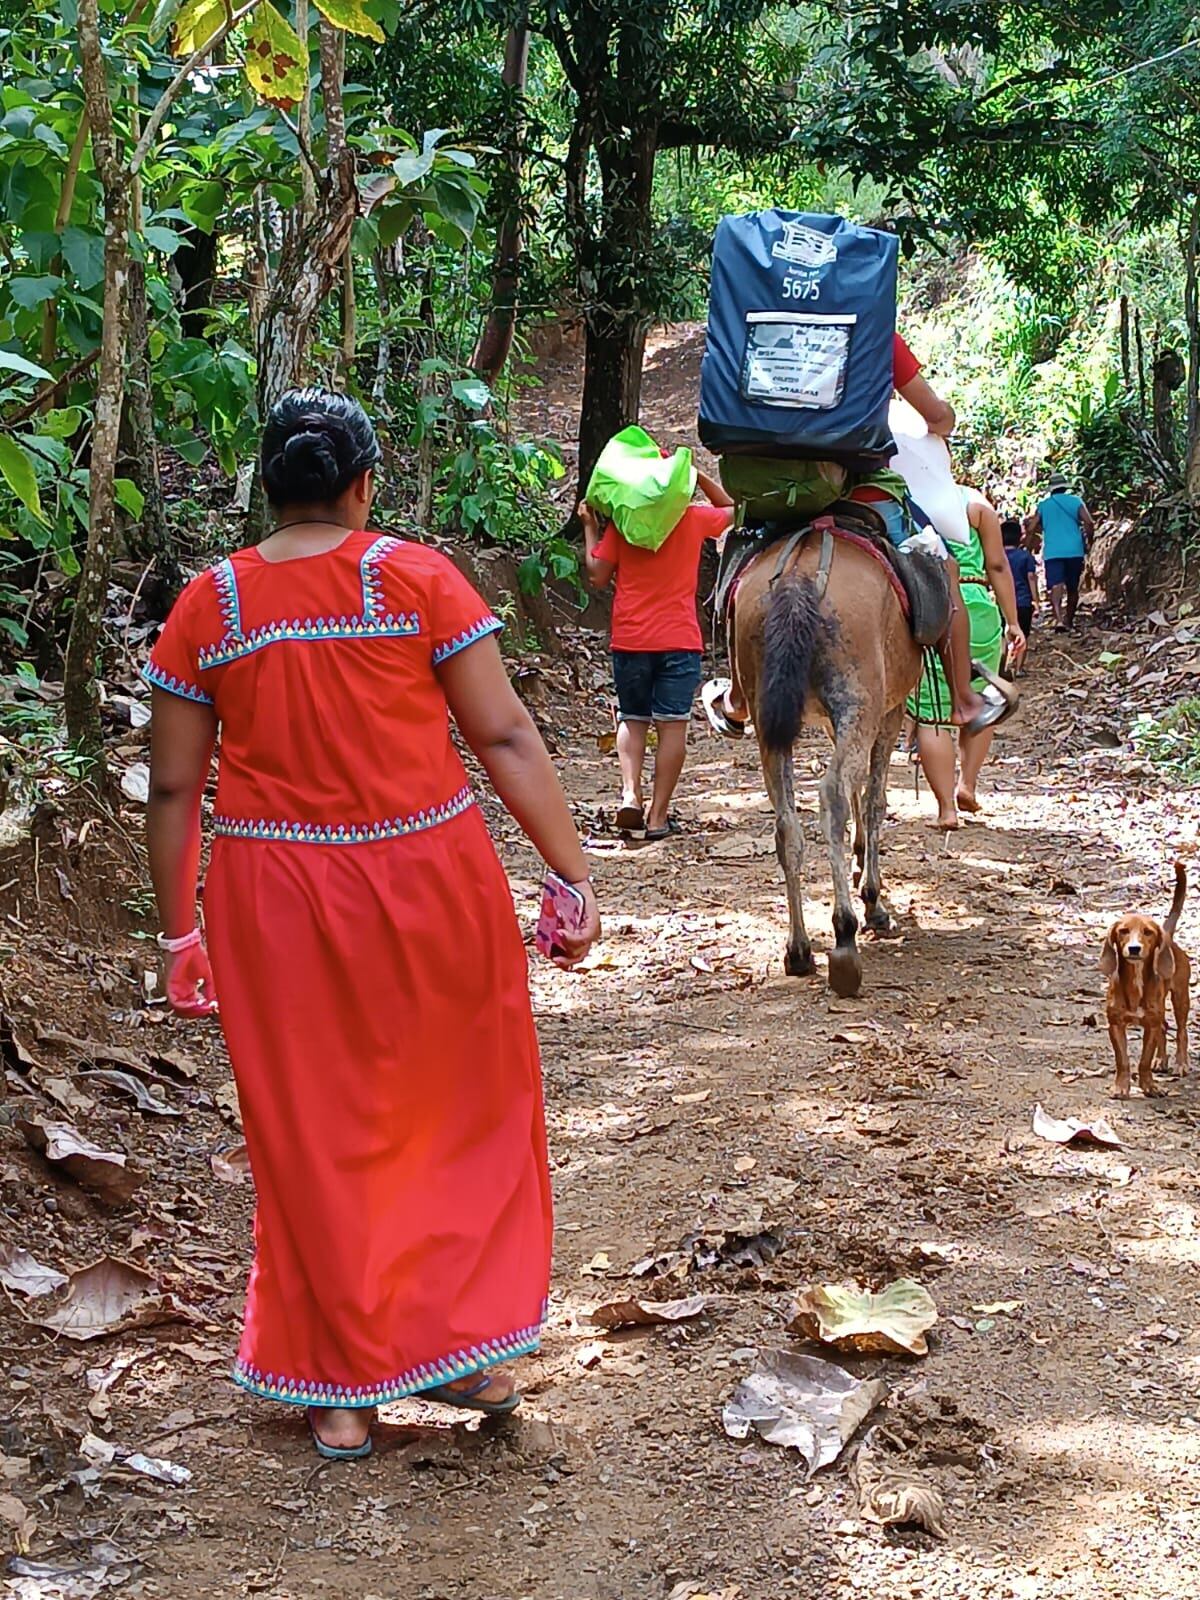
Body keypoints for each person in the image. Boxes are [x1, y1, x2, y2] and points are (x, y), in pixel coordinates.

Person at [144, 389, 600, 1461]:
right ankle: (450, 1347)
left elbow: (173, 791)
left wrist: (178, 935)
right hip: (427, 880)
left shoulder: (209, 605)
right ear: (363, 486)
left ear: (269, 488)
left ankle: (341, 1386)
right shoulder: (418, 579)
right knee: (454, 1111)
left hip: (271, 900)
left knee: (311, 1131)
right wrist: (570, 872)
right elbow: (503, 734)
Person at [707, 334, 1006, 739]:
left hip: (777, 494)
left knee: (742, 573)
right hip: (865, 493)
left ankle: (740, 697)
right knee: (945, 569)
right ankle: (962, 700)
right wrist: (942, 418)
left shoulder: (760, 326)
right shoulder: (873, 326)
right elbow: (937, 417)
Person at [580, 466, 733, 839]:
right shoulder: (692, 518)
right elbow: (734, 510)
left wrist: (589, 526)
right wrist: (698, 476)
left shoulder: (625, 523)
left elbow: (597, 575)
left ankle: (630, 795)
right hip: (679, 641)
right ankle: (657, 818)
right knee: (672, 726)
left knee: (632, 719)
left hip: (631, 639)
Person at [910, 484, 1026, 829]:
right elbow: (998, 565)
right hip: (977, 605)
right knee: (982, 700)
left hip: (930, 605)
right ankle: (968, 786)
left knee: (933, 713)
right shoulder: (974, 502)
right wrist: (1013, 622)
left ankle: (946, 809)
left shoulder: (909, 497)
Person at [1027, 470, 1093, 630]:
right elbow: (1089, 522)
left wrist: (1028, 547)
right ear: (1065, 487)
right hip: (1074, 550)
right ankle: (1069, 621)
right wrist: (1089, 541)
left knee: (1055, 585)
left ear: (1051, 489)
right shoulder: (1076, 501)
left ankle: (1058, 619)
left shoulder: (1044, 505)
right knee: (1072, 587)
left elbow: (1031, 528)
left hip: (1053, 551)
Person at [1002, 517, 1039, 672]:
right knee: (1022, 634)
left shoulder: (997, 556)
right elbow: (1031, 577)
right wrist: (1036, 600)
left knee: (1003, 635)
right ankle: (1018, 668)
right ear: (1019, 538)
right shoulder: (1025, 556)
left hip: (1002, 602)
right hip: (1023, 601)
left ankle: (1003, 667)